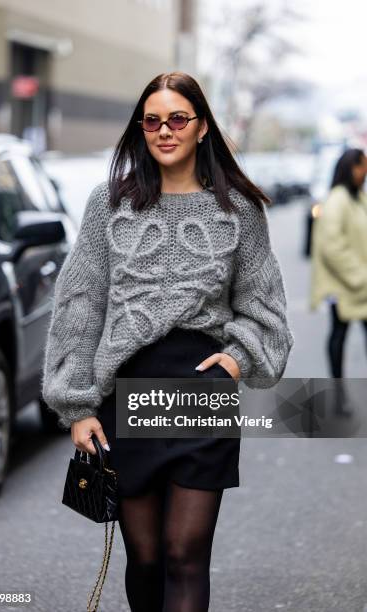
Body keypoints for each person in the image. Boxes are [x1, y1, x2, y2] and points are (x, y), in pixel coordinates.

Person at [41, 71, 294, 612]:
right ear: (141, 128)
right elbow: (81, 304)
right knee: (147, 557)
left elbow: (265, 308)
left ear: (202, 127)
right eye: (152, 120)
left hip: (202, 393)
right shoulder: (110, 205)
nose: (164, 130)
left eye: (178, 119)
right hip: (127, 392)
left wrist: (236, 359)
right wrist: (78, 406)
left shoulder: (238, 210)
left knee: (186, 554)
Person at [310, 148, 367, 416]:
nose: (364, 171)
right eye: (362, 166)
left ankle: (339, 397)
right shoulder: (338, 200)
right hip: (344, 286)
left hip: (358, 285)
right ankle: (338, 396)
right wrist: (359, 276)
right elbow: (332, 247)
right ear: (351, 168)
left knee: (341, 337)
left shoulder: (357, 199)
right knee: (339, 337)